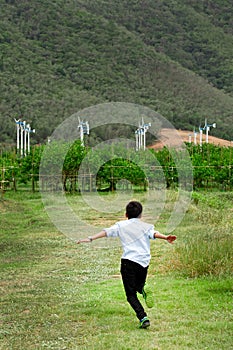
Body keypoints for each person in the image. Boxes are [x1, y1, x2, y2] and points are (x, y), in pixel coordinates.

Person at [77, 200, 176, 329]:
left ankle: (143, 317)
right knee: (138, 285)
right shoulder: (146, 226)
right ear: (141, 215)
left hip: (129, 262)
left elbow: (107, 232)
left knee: (130, 294)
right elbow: (154, 234)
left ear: (126, 214)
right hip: (144, 262)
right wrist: (166, 237)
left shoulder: (121, 225)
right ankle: (142, 288)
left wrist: (90, 238)